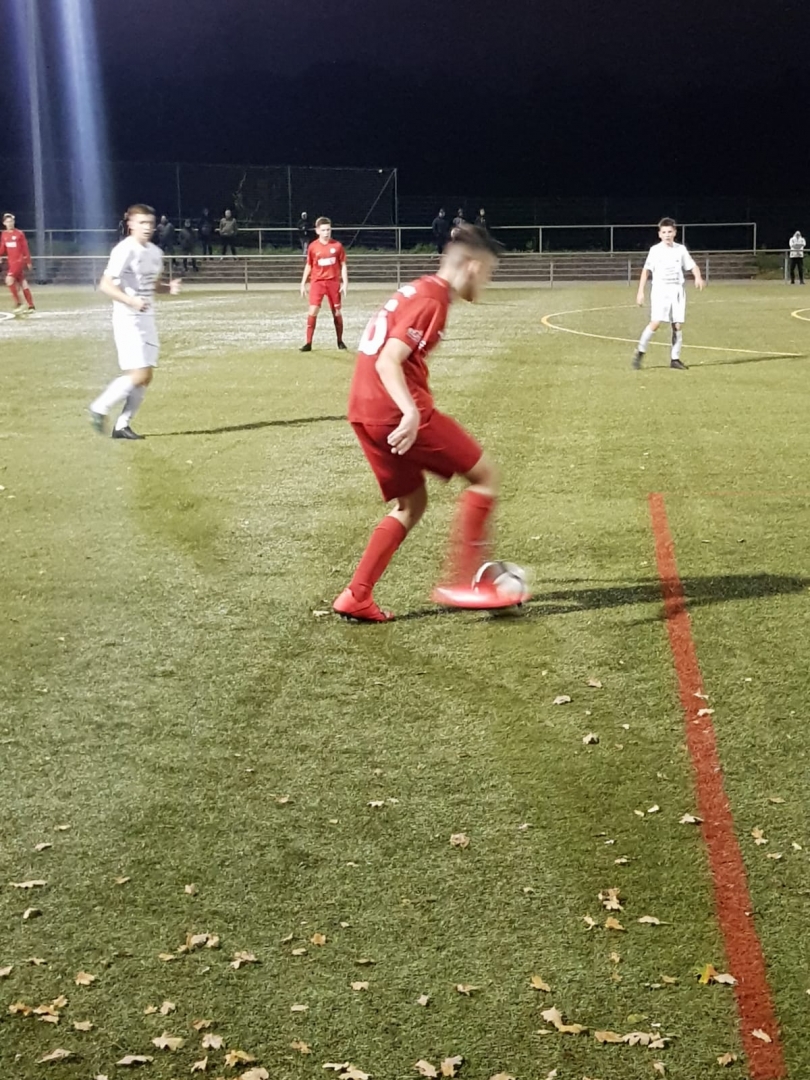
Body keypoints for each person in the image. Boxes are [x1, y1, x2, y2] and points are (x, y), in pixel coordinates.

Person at [333, 225, 528, 622]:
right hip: (395, 411)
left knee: (412, 503)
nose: (486, 283)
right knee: (486, 477)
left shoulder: (419, 289)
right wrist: (409, 411)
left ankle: (356, 594)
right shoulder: (433, 298)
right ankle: (464, 581)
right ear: (472, 266)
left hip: (364, 410)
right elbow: (389, 360)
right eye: (488, 273)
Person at [88, 204, 181, 440]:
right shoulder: (124, 250)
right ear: (130, 224)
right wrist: (130, 301)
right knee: (139, 375)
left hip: (147, 320)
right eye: (142, 223)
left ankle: (122, 426)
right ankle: (99, 407)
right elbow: (105, 285)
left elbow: (151, 284)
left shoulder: (155, 252)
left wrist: (168, 287)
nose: (147, 227)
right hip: (128, 319)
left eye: (150, 223)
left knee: (146, 377)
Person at [632, 217, 704, 371]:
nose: (667, 235)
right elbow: (646, 270)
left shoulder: (680, 249)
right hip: (660, 290)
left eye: (670, 232)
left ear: (675, 232)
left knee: (677, 325)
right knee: (655, 322)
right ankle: (640, 352)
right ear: (659, 234)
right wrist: (640, 291)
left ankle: (675, 359)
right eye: (664, 232)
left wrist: (698, 277)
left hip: (677, 290)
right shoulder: (655, 250)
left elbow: (692, 265)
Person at [299, 216, 348, 351]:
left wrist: (345, 282)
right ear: (317, 231)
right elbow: (309, 265)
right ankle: (308, 343)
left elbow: (343, 265)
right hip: (317, 282)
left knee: (336, 312)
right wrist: (303, 283)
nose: (326, 232)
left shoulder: (337, 246)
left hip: (333, 282)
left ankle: (340, 341)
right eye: (324, 230)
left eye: (328, 230)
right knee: (313, 309)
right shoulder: (313, 247)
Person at [0, 212, 35, 313]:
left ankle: (19, 303)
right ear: (4, 223)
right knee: (23, 283)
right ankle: (31, 306)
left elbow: (25, 248)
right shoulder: (4, 234)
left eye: (11, 221)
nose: (10, 223)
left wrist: (28, 261)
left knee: (9, 280)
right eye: (8, 222)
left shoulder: (19, 234)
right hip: (11, 262)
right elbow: (3, 248)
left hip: (19, 261)